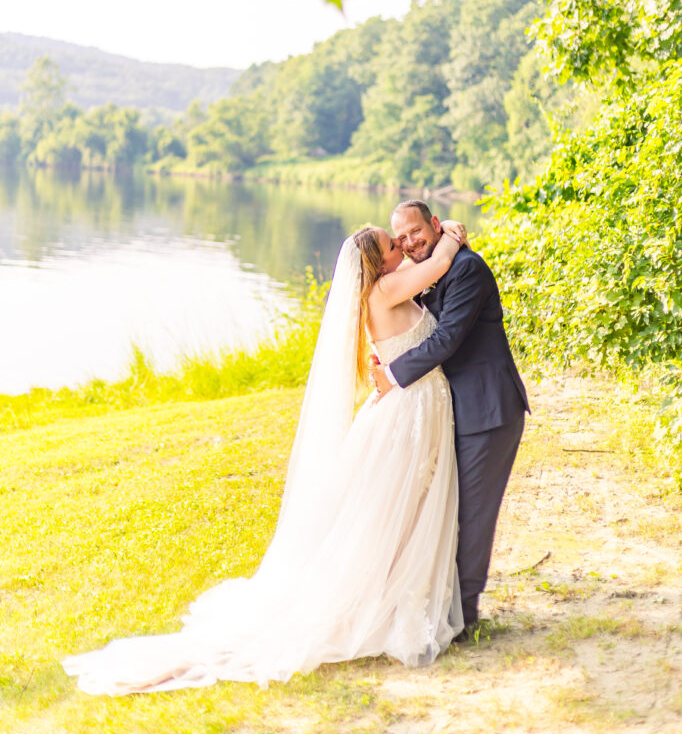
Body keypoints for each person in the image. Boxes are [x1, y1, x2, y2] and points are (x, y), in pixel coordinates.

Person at [63, 220, 467, 695]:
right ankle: (387, 604)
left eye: (397, 239)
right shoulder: (387, 288)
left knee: (397, 514)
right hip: (406, 416)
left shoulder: (385, 289)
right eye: (391, 243)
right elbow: (440, 262)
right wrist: (453, 233)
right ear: (377, 265)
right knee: (392, 513)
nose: (401, 245)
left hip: (410, 412)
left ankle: (399, 596)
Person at [371, 200, 530, 637]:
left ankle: (463, 619)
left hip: (487, 410)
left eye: (416, 232)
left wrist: (393, 374)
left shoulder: (466, 269)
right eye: (400, 238)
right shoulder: (431, 268)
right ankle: (439, 608)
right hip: (452, 411)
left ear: (435, 225)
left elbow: (447, 339)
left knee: (473, 518)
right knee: (443, 511)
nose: (408, 243)